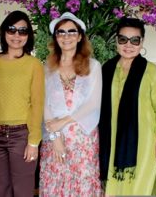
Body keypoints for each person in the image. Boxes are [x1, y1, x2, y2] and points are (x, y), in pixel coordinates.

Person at [99, 17, 156, 196]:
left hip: (144, 142)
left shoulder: (151, 71)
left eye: (134, 40)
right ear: (116, 40)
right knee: (113, 187)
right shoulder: (106, 69)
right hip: (111, 140)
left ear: (142, 42)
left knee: (139, 188)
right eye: (123, 39)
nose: (128, 45)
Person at [39, 12, 102, 196]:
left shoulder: (93, 66)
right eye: (61, 32)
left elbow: (93, 103)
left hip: (83, 139)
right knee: (55, 184)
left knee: (82, 186)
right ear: (55, 37)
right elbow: (44, 104)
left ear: (80, 35)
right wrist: (56, 136)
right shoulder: (47, 67)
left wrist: (63, 121)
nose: (66, 37)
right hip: (55, 139)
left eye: (71, 32)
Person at [0, 10, 45, 197]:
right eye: (12, 29)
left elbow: (37, 104)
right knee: (0, 190)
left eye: (23, 31)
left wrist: (34, 141)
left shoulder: (34, 64)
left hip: (22, 135)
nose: (17, 35)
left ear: (29, 35)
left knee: (23, 191)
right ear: (4, 31)